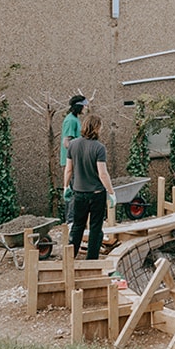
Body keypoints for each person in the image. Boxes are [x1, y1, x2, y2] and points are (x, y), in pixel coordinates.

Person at [63, 114, 115, 260]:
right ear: (97, 128)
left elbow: (68, 169)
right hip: (97, 194)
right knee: (95, 228)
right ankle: (91, 260)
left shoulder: (73, 145)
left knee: (77, 226)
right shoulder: (99, 148)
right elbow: (103, 174)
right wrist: (111, 193)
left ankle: (69, 258)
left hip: (79, 194)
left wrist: (66, 186)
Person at [60, 95, 86, 220]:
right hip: (71, 162)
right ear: (78, 106)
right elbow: (67, 142)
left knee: (75, 190)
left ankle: (72, 220)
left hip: (75, 160)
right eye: (84, 106)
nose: (85, 108)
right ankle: (70, 221)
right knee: (73, 191)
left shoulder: (75, 119)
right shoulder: (70, 120)